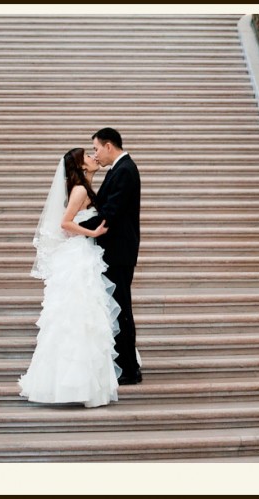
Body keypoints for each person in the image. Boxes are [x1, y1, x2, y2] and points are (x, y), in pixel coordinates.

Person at [18, 148, 121, 407]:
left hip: (80, 254)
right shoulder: (80, 190)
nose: (93, 157)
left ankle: (77, 384)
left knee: (81, 317)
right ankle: (77, 384)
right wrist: (93, 233)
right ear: (81, 165)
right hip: (78, 256)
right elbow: (65, 223)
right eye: (87, 156)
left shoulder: (83, 187)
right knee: (79, 316)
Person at [80, 128, 142, 385]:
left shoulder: (125, 170)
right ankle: (125, 364)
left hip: (118, 253)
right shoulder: (120, 169)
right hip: (115, 251)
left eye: (95, 148)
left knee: (121, 310)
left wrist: (78, 230)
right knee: (116, 309)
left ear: (108, 146)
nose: (95, 154)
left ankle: (129, 368)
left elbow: (110, 212)